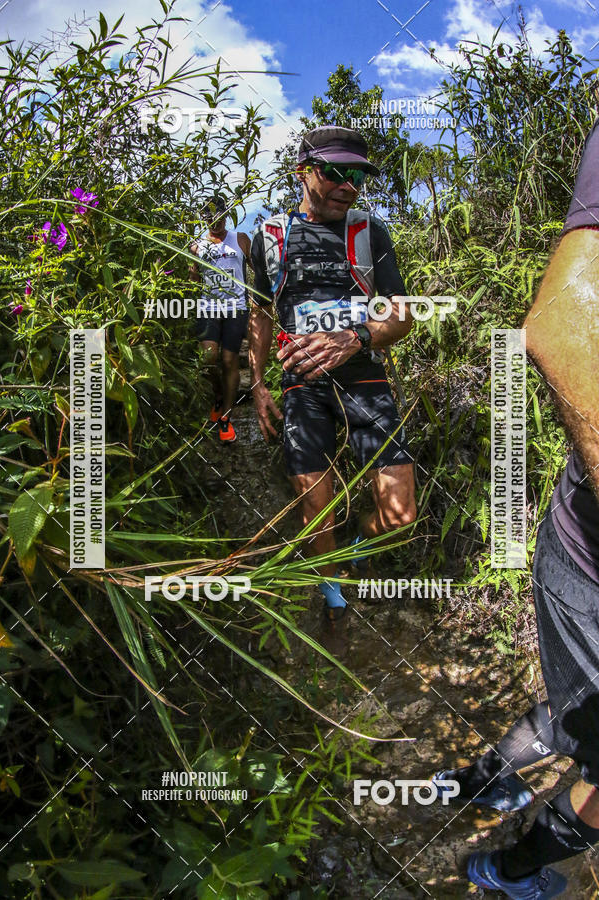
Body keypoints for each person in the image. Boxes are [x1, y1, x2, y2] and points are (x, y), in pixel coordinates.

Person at [435, 120, 599, 898]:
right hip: (587, 547)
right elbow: (564, 321)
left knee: (580, 712)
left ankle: (484, 786)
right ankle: (508, 866)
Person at [249, 125, 417, 621]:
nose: (348, 186)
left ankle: (360, 545)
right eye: (335, 173)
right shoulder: (270, 238)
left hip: (365, 378)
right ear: (303, 172)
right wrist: (258, 385)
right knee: (316, 518)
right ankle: (333, 595)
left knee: (400, 514)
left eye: (357, 176)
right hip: (302, 387)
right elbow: (260, 313)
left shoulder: (369, 232)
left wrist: (355, 338)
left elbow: (402, 312)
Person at [189, 196, 252, 443]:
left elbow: (258, 271)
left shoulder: (241, 240)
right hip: (208, 309)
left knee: (229, 360)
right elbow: (192, 280)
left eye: (218, 215)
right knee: (207, 359)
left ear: (226, 214)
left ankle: (226, 415)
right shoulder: (197, 247)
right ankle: (218, 394)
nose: (213, 220)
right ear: (203, 217)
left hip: (236, 308)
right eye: (208, 216)